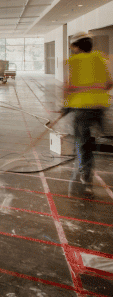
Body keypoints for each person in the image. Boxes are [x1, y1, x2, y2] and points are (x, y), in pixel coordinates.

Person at [64, 32, 113, 197]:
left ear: (76, 47)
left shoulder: (75, 61)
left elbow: (69, 86)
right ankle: (87, 167)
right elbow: (109, 83)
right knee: (96, 140)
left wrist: (66, 105)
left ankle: (86, 177)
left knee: (83, 143)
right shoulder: (101, 58)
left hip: (82, 108)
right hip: (100, 107)